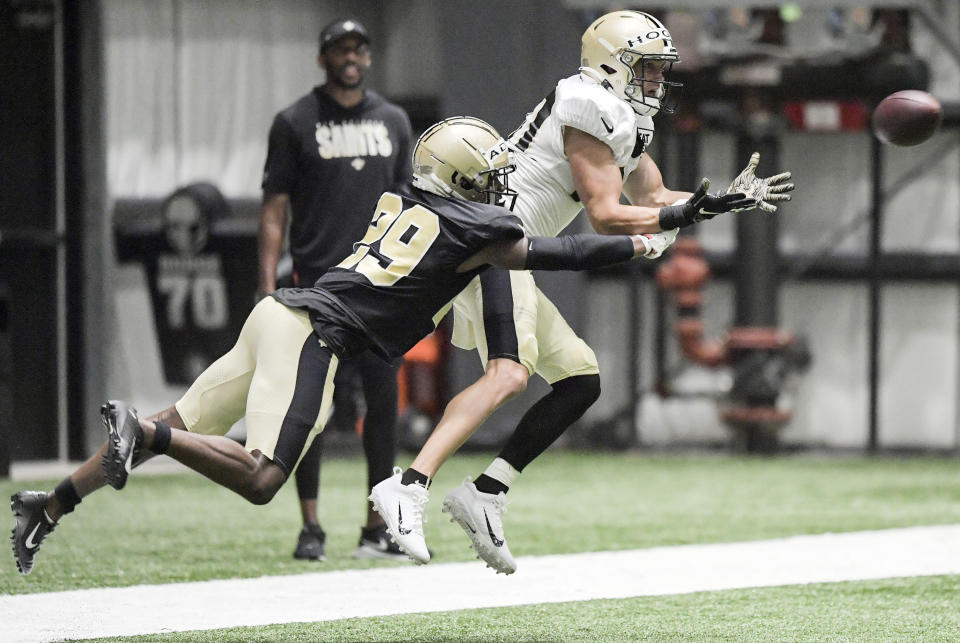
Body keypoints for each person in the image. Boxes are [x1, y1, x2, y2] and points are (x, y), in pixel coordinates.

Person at [10, 115, 741, 577]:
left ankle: (55, 502)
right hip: (313, 336)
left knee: (189, 418)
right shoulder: (474, 227)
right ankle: (150, 435)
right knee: (261, 476)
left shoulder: (403, 198)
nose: (500, 186)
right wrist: (648, 240)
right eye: (488, 178)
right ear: (464, 181)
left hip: (276, 312)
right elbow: (568, 255)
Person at [369, 9, 793, 574]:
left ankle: (487, 493)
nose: (657, 81)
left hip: (511, 248)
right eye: (647, 68)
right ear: (612, 66)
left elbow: (657, 193)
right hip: (492, 237)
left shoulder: (623, 115)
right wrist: (679, 216)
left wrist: (718, 201)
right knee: (509, 374)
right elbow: (606, 215)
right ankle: (409, 486)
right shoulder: (592, 107)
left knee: (580, 379)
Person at [258, 18, 413, 561]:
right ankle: (311, 527)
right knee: (313, 412)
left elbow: (408, 207)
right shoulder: (295, 122)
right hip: (316, 287)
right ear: (323, 58)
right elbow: (274, 210)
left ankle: (377, 527)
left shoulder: (393, 120)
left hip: (379, 287)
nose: (350, 56)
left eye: (358, 48)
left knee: (383, 409)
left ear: (367, 58)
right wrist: (267, 285)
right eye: (339, 49)